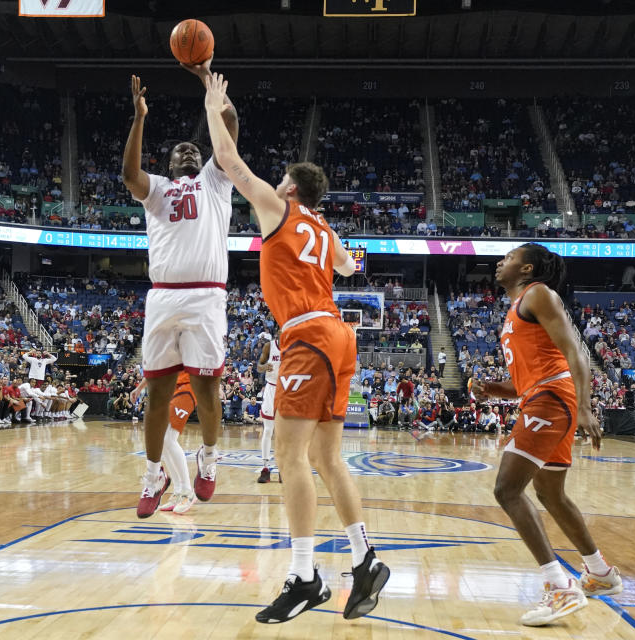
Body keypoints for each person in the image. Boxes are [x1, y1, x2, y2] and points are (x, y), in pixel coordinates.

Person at [201, 72, 388, 624]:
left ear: (288, 189)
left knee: (289, 459)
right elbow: (351, 266)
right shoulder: (325, 232)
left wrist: (215, 105)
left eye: (280, 180)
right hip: (339, 334)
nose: (274, 184)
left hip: (308, 335)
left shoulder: (277, 209)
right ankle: (364, 559)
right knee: (328, 458)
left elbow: (228, 160)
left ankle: (305, 575)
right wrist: (329, 238)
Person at [471, 243, 622, 627]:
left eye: (509, 258)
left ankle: (559, 586)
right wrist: (490, 388)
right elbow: (524, 380)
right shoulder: (517, 308)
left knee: (507, 490)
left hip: (553, 399)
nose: (499, 262)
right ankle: (600, 572)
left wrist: (586, 407)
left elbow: (576, 354)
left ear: (527, 269)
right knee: (550, 494)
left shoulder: (538, 293)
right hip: (543, 396)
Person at [121, 60, 239, 518]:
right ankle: (154, 475)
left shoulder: (216, 179)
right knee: (157, 395)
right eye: (181, 151)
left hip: (207, 295)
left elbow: (228, 126)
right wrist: (139, 119)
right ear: (170, 164)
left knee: (209, 391)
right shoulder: (158, 190)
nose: (190, 152)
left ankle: (208, 460)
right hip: (164, 296)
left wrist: (210, 86)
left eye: (195, 148)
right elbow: (130, 175)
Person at [131, 375, 197, 514]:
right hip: (171, 388)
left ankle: (187, 492)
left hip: (189, 386)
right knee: (162, 439)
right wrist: (139, 388)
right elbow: (156, 367)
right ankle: (178, 491)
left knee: (169, 438)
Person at [256, 331, 281, 483]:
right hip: (271, 388)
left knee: (284, 435)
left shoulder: (294, 347)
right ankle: (265, 468)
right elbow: (259, 367)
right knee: (268, 430)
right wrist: (265, 366)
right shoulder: (269, 346)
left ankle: (282, 469)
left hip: (287, 390)